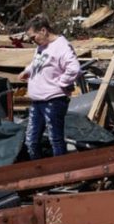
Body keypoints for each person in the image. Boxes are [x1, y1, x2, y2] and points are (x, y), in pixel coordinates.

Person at [18, 14, 80, 160]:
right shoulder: (41, 46)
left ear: (43, 31)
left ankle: (61, 172)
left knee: (55, 139)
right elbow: (37, 62)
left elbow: (74, 69)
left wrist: (61, 83)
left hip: (53, 100)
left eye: (34, 37)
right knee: (31, 141)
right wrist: (27, 71)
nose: (33, 41)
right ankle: (40, 171)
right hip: (37, 100)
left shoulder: (61, 46)